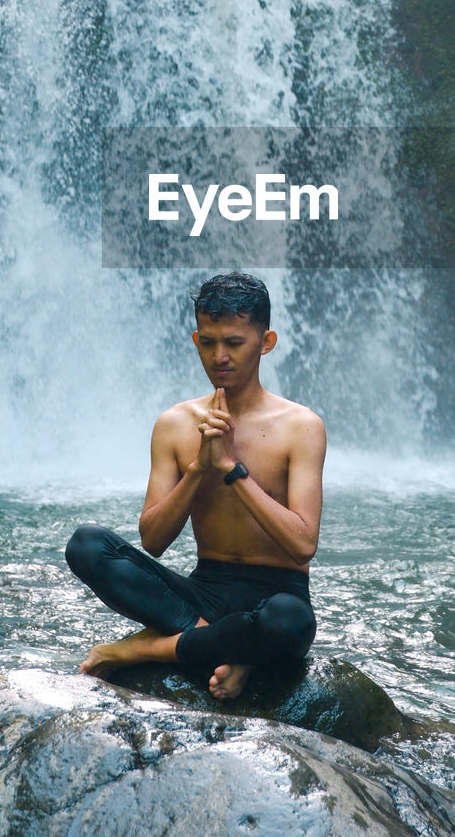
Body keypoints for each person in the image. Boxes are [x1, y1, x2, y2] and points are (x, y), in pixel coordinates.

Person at [65, 271, 326, 700]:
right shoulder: (175, 424)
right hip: (202, 593)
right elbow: (153, 539)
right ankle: (231, 648)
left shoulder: (301, 427)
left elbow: (302, 544)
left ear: (266, 342)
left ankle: (150, 648)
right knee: (86, 545)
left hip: (276, 595)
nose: (219, 356)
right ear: (195, 339)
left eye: (234, 343)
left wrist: (232, 469)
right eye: (208, 342)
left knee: (288, 623)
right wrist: (200, 470)